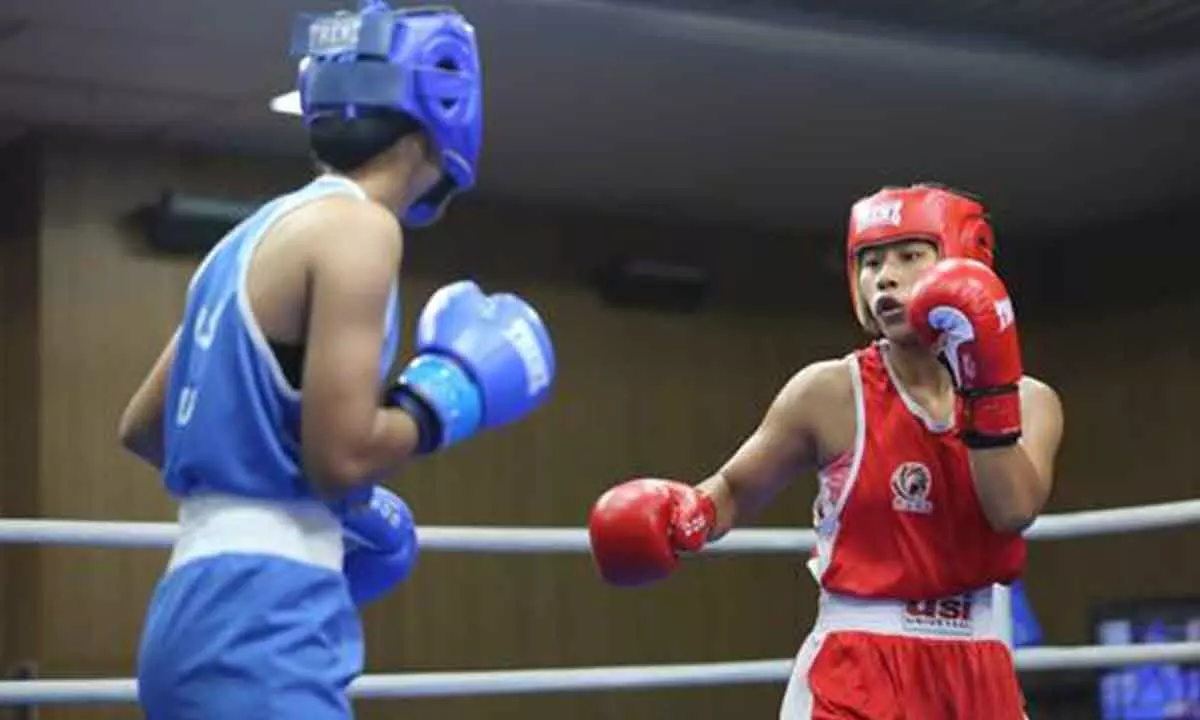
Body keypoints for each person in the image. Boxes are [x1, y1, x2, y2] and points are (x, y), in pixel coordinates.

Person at [117, 4, 556, 718]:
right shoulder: (359, 228)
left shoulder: (249, 239)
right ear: (447, 102)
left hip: (190, 609)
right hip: (263, 617)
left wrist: (332, 512)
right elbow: (342, 458)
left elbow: (146, 427)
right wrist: (444, 398)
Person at [586, 183, 1064, 719]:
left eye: (910, 256)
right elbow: (734, 491)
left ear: (963, 261)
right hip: (860, 661)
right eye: (870, 261)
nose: (885, 276)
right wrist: (684, 514)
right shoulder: (830, 393)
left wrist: (983, 383)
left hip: (979, 662)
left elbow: (1011, 510)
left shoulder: (1031, 400)